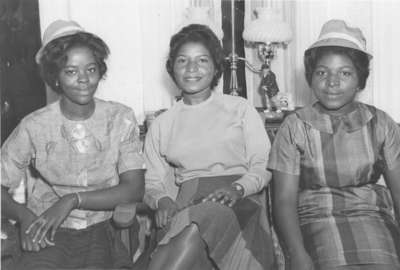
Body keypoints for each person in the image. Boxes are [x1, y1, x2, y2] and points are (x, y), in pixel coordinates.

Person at [1, 20, 145, 269]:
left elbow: (134, 189)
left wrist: (72, 200)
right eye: (70, 71)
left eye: (91, 69)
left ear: (100, 70)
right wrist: (24, 217)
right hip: (46, 229)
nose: (83, 80)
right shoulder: (34, 125)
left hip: (101, 227)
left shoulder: (120, 117)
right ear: (55, 77)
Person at [268, 19, 400, 270]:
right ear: (310, 77)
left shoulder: (381, 123)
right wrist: (296, 254)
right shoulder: (294, 127)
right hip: (315, 221)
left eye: (345, 73)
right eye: (322, 72)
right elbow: (283, 200)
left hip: (373, 218)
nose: (332, 82)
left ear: (360, 79)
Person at [143, 24, 275, 270]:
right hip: (186, 204)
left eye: (202, 60)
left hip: (237, 200)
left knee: (198, 223)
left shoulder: (240, 108)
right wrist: (161, 200)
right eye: (182, 61)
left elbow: (264, 164)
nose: (192, 68)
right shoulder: (162, 123)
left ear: (216, 67)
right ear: (172, 68)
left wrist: (238, 188)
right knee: (188, 228)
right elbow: (151, 182)